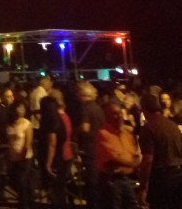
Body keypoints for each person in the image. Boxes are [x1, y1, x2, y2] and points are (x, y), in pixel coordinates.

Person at [138, 93, 182, 209]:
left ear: (144, 109)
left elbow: (148, 160)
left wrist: (143, 187)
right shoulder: (173, 126)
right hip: (179, 175)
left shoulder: (149, 128)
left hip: (162, 179)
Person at [95, 99, 141, 209]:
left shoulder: (126, 133)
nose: (119, 116)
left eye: (120, 113)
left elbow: (134, 153)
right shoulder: (103, 134)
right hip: (111, 181)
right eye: (115, 114)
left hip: (125, 179)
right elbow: (113, 157)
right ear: (106, 116)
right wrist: (133, 163)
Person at [76, 81, 105, 209]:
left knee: (91, 180)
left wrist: (75, 130)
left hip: (90, 147)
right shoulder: (97, 107)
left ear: (82, 94)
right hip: (100, 145)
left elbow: (85, 128)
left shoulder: (85, 108)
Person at [40, 94, 69, 209]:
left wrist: (48, 163)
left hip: (54, 158)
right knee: (59, 188)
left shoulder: (50, 123)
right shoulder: (60, 119)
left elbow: (52, 144)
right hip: (61, 156)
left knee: (54, 189)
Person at [5, 100, 34, 209]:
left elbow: (28, 143)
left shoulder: (26, 123)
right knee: (14, 181)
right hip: (13, 156)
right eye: (19, 108)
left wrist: (23, 156)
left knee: (22, 182)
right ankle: (28, 199)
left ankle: (24, 204)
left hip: (24, 157)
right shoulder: (10, 123)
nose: (22, 110)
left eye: (23, 108)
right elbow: (9, 141)